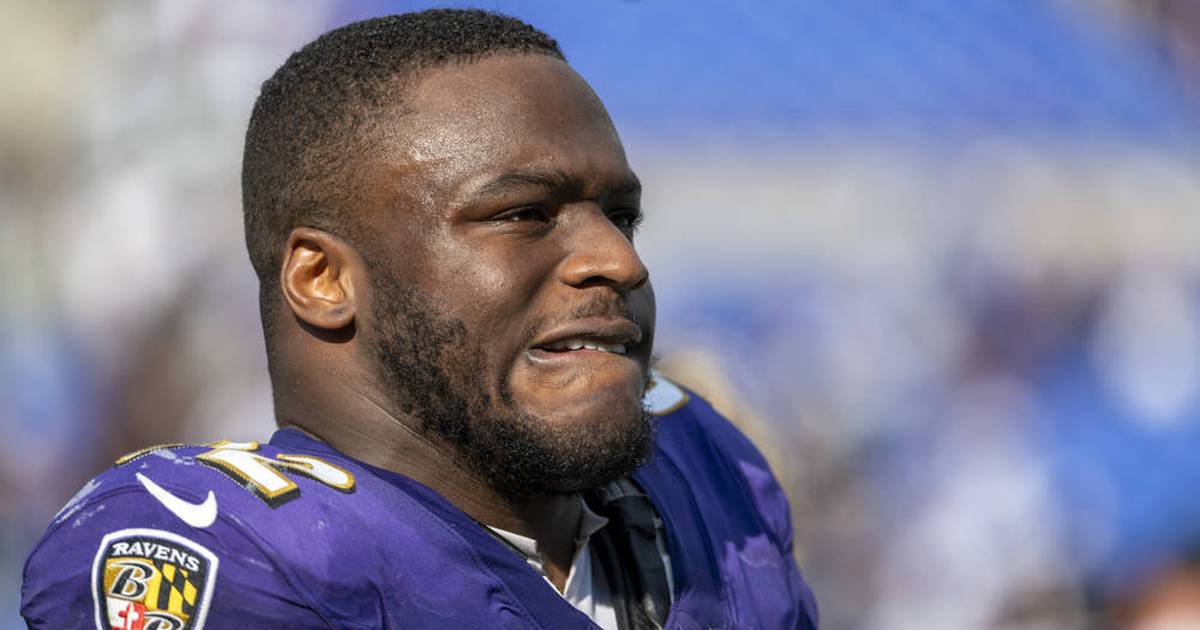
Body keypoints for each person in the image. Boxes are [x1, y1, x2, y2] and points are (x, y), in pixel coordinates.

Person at [21, 9, 818, 629]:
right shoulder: (234, 552)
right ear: (324, 279)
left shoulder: (702, 473)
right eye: (524, 215)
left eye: (621, 216)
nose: (618, 260)